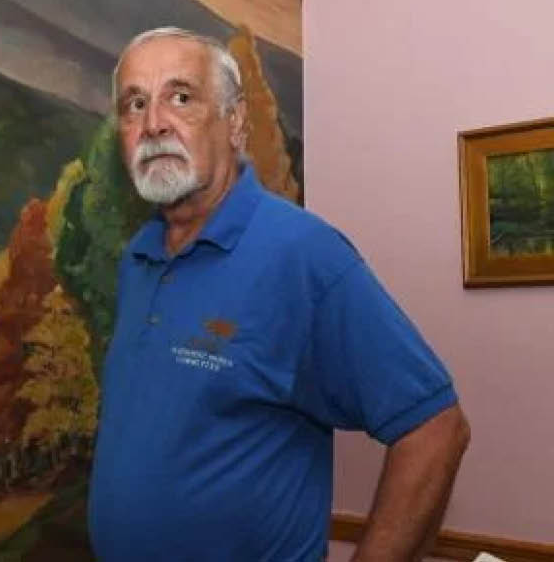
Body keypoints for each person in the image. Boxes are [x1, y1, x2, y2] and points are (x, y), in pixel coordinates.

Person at [86, 27, 470, 561]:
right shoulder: (139, 259)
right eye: (135, 104)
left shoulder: (302, 253)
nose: (154, 124)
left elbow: (435, 429)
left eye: (181, 97)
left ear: (236, 122)